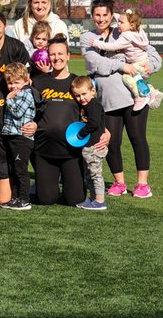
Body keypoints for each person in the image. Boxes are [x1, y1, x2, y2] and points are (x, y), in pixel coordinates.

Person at [82, 0, 162, 199]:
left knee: (137, 138)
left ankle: (142, 184)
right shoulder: (88, 37)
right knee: (112, 142)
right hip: (107, 101)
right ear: (92, 16)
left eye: (105, 15)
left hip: (132, 98)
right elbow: (95, 62)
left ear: (112, 15)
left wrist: (150, 65)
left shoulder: (123, 30)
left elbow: (151, 53)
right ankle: (119, 182)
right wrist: (123, 66)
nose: (101, 19)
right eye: (97, 15)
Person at [32, 37, 107, 206]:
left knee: (75, 199)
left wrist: (105, 130)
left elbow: (95, 110)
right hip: (44, 150)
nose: (56, 58)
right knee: (46, 199)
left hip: (71, 152)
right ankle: (40, 182)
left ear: (68, 56)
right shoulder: (38, 81)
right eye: (52, 54)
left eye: (60, 53)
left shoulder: (77, 83)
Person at [87, 9, 163, 110]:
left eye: (121, 22)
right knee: (137, 80)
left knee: (127, 77)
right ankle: (152, 91)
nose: (118, 24)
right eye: (118, 21)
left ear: (131, 24)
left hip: (140, 64)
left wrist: (97, 43)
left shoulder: (126, 36)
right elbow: (126, 18)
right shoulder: (138, 31)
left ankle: (141, 97)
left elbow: (113, 46)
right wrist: (114, 14)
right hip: (144, 62)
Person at [0, 61, 35, 210]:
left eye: (17, 82)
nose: (13, 86)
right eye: (10, 83)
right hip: (12, 136)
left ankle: (24, 200)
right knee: (14, 168)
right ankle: (15, 197)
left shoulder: (26, 93)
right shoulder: (17, 94)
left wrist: (8, 99)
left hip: (22, 138)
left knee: (21, 170)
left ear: (26, 81)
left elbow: (18, 113)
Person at [70, 77, 109, 211]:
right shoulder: (85, 105)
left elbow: (94, 123)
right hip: (88, 147)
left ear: (93, 91)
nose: (81, 98)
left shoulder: (94, 105)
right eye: (77, 96)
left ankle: (100, 201)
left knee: (95, 173)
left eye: (84, 94)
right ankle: (93, 198)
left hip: (94, 146)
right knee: (88, 173)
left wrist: (81, 133)